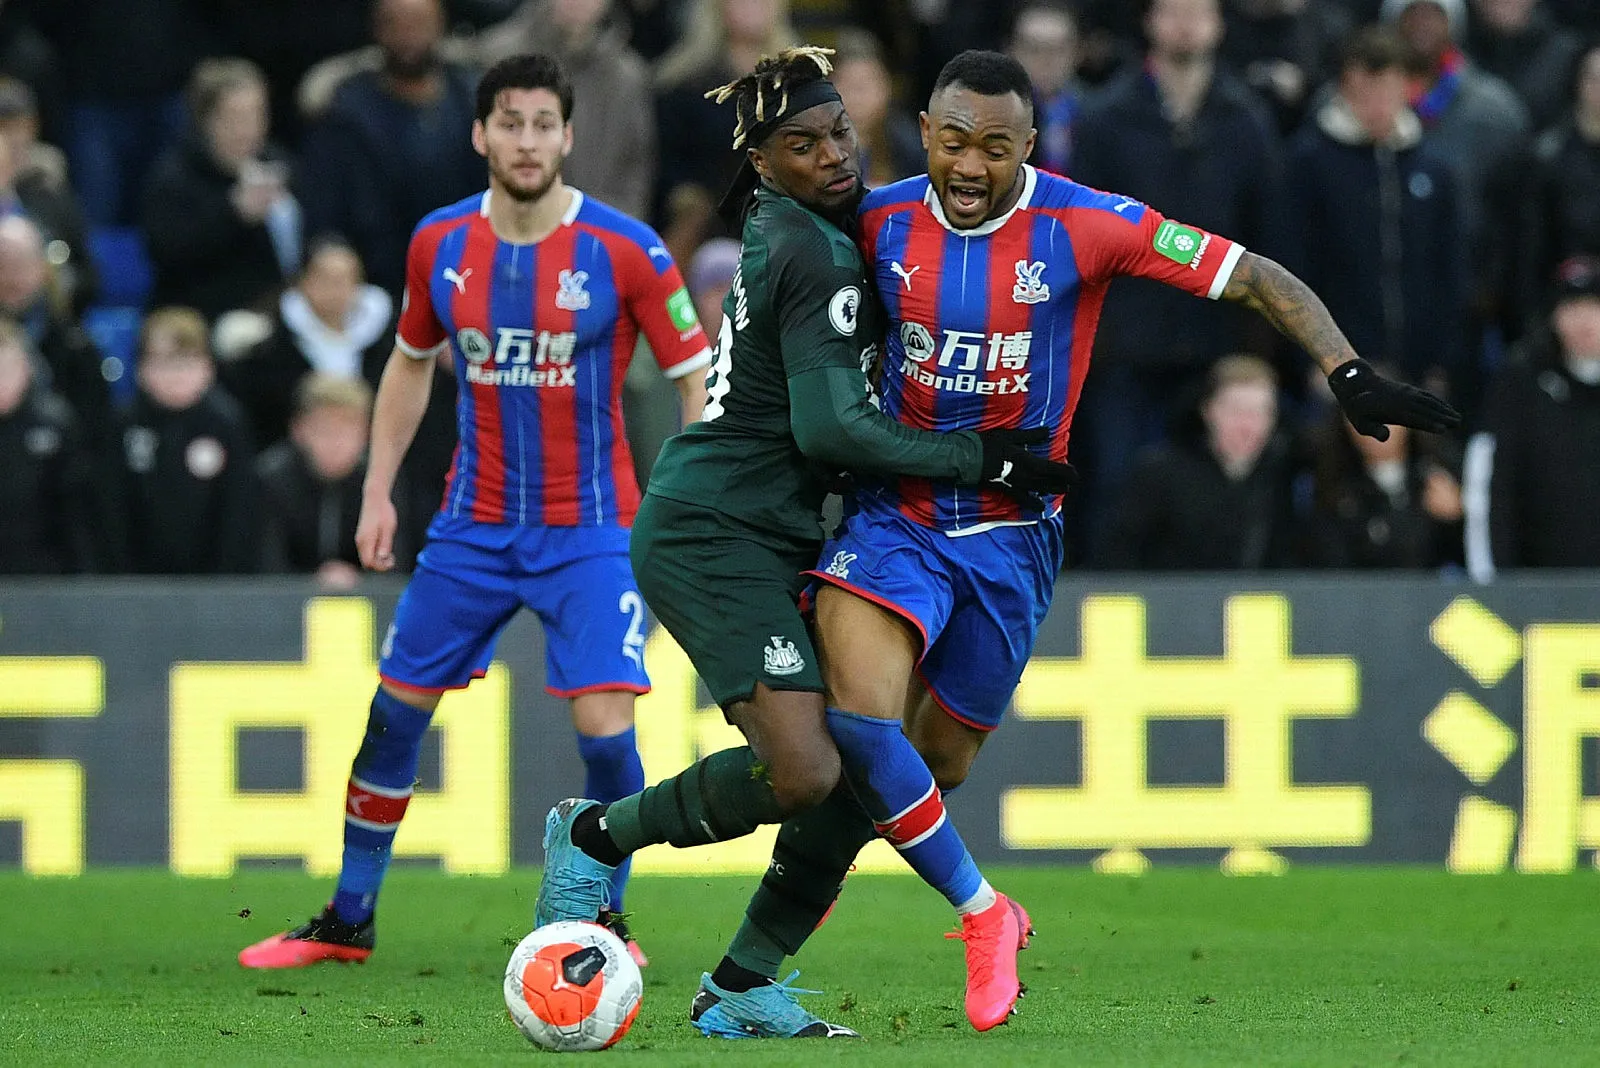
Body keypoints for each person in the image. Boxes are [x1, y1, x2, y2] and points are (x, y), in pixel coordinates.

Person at [703, 48, 1460, 1040]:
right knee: (858, 720)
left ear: (1031, 143)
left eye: (996, 149)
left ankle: (755, 964)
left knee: (934, 767)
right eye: (953, 142)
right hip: (896, 518)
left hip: (1014, 543)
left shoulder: (1085, 223)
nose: (970, 168)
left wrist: (1345, 370)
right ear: (925, 131)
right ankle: (982, 915)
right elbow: (779, 284)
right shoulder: (876, 217)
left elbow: (1250, 275)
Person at [531, 46, 1077, 1039]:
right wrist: (977, 459)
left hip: (773, 531)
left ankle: (742, 983)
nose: (833, 155)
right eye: (802, 144)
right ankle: (593, 831)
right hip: (715, 532)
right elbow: (830, 432)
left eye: (836, 132)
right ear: (762, 163)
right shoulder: (815, 252)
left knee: (863, 772)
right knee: (808, 772)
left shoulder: (828, 229)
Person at [237, 53, 715, 972]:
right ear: (480, 134)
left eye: (544, 124)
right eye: (510, 123)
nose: (527, 141)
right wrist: (377, 491)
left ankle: (606, 923)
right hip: (472, 525)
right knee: (392, 716)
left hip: (592, 528)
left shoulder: (626, 249)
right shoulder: (440, 244)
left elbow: (695, 375)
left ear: (568, 138)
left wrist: (683, 503)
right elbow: (410, 362)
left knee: (605, 729)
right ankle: (349, 918)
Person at [1067, 0, 1290, 561]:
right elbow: (1079, 237)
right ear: (1149, 20)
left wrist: (1256, 341)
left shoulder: (1245, 119)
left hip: (1214, 343)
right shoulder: (1105, 118)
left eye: (1199, 10)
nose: (1186, 22)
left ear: (1218, 23)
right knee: (1116, 486)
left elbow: (1268, 236)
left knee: (1217, 493)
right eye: (1174, 9)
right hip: (1124, 347)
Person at [1284, 25, 1465, 395]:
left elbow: (1451, 267)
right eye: (1364, 92)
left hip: (1420, 364)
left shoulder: (1433, 167)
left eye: (1388, 91)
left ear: (1407, 89)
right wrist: (1310, 360)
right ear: (1344, 88)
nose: (1377, 106)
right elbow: (1292, 267)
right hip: (1335, 366)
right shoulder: (1308, 163)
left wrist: (1445, 359)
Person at [297, 0, 485, 296]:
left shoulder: (471, 102)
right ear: (376, 29)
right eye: (394, 23)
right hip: (375, 289)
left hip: (468, 277)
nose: (407, 36)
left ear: (441, 25)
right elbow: (324, 218)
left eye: (419, 23)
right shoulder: (346, 114)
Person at [1464, 255, 1600, 577]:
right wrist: (1498, 587)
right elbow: (1494, 488)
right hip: (1543, 596)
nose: (1584, 322)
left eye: (1594, 307)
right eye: (1571, 308)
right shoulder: (1521, 386)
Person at [1100, 355, 1303, 569]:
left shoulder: (1283, 474)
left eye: (1261, 412)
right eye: (1236, 411)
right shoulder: (1160, 473)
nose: (1248, 427)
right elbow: (1118, 554)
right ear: (1208, 410)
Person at [141, 58, 301, 322]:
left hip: (275, 317)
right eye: (234, 118)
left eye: (257, 115)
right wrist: (233, 216)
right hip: (200, 318)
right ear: (205, 120)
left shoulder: (280, 165)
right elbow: (167, 255)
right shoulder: (173, 178)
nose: (247, 130)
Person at [110, 307, 259, 575]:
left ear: (208, 368)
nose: (175, 375)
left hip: (214, 582)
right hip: (136, 581)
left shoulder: (226, 423)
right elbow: (112, 511)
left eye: (186, 362)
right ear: (141, 369)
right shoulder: (123, 425)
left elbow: (238, 512)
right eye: (162, 362)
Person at [477, 0, 657, 220]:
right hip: (508, 225)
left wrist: (616, 233)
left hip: (598, 233)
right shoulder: (496, 58)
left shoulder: (627, 78)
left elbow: (634, 169)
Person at [221, 235, 395, 449]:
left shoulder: (386, 340)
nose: (336, 290)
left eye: (346, 279)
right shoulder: (270, 345)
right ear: (304, 281)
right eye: (327, 279)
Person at [1304, 364, 1464, 570]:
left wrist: (1456, 519)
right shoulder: (1332, 486)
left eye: (1388, 414)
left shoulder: (1440, 475)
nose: (1378, 425)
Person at [256, 374, 379, 586]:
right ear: (299, 431)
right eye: (324, 431)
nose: (335, 443)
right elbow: (266, 564)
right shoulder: (273, 479)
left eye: (347, 432)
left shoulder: (379, 480)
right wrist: (313, 582)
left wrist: (360, 582)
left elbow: (394, 561)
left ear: (366, 434)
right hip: (286, 604)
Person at [0, 318, 100, 574]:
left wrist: (80, 575)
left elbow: (74, 512)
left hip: (44, 574)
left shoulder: (56, 424)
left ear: (27, 368)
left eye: (7, 370)